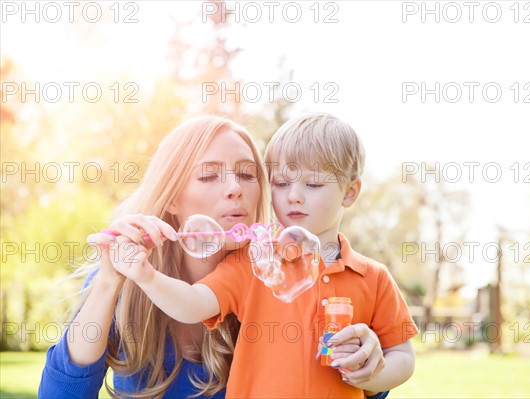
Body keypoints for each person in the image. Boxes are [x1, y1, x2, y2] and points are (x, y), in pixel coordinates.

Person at [39, 115, 390, 399]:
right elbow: (60, 395)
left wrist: (368, 359)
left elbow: (344, 383)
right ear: (172, 198)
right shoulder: (131, 282)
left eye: (247, 174)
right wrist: (108, 283)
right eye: (208, 175)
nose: (235, 187)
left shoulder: (278, 277)